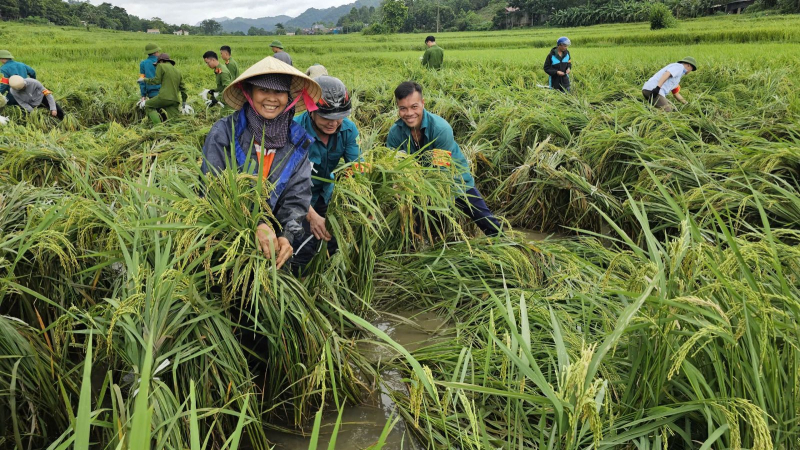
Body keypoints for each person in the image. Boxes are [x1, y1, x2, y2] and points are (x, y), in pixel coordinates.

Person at [201, 56, 322, 269]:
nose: (271, 99)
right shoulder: (224, 133)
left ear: (289, 97)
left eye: (279, 92)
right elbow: (213, 187)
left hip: (273, 241)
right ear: (249, 93)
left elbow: (297, 196)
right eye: (264, 90)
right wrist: (255, 222)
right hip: (228, 235)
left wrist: (286, 235)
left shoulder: (298, 140)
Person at [387, 81, 502, 237]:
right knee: (419, 230)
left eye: (414, 107)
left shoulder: (441, 128)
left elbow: (440, 174)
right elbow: (395, 168)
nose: (409, 113)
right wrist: (398, 187)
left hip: (454, 180)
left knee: (485, 220)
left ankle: (505, 243)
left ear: (422, 103)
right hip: (416, 187)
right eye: (403, 109)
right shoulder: (395, 133)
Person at [291, 76, 361, 270]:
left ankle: (327, 278)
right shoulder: (294, 131)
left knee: (331, 238)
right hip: (295, 198)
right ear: (310, 111)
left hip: (324, 192)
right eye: (326, 117)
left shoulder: (348, 129)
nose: (334, 123)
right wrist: (310, 215)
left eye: (339, 117)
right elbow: (287, 181)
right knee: (301, 246)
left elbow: (355, 168)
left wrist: (363, 202)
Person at [138, 53, 188, 124]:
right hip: (175, 100)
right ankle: (173, 132)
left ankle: (158, 127)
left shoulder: (161, 65)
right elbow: (183, 89)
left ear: (161, 61)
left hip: (164, 97)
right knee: (174, 122)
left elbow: (156, 81)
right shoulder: (178, 72)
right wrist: (184, 102)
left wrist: (144, 79)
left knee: (147, 105)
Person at [139, 43, 161, 107]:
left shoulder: (143, 63)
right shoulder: (162, 62)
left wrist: (143, 95)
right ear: (155, 52)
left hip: (152, 94)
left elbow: (141, 80)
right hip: (164, 93)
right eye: (158, 51)